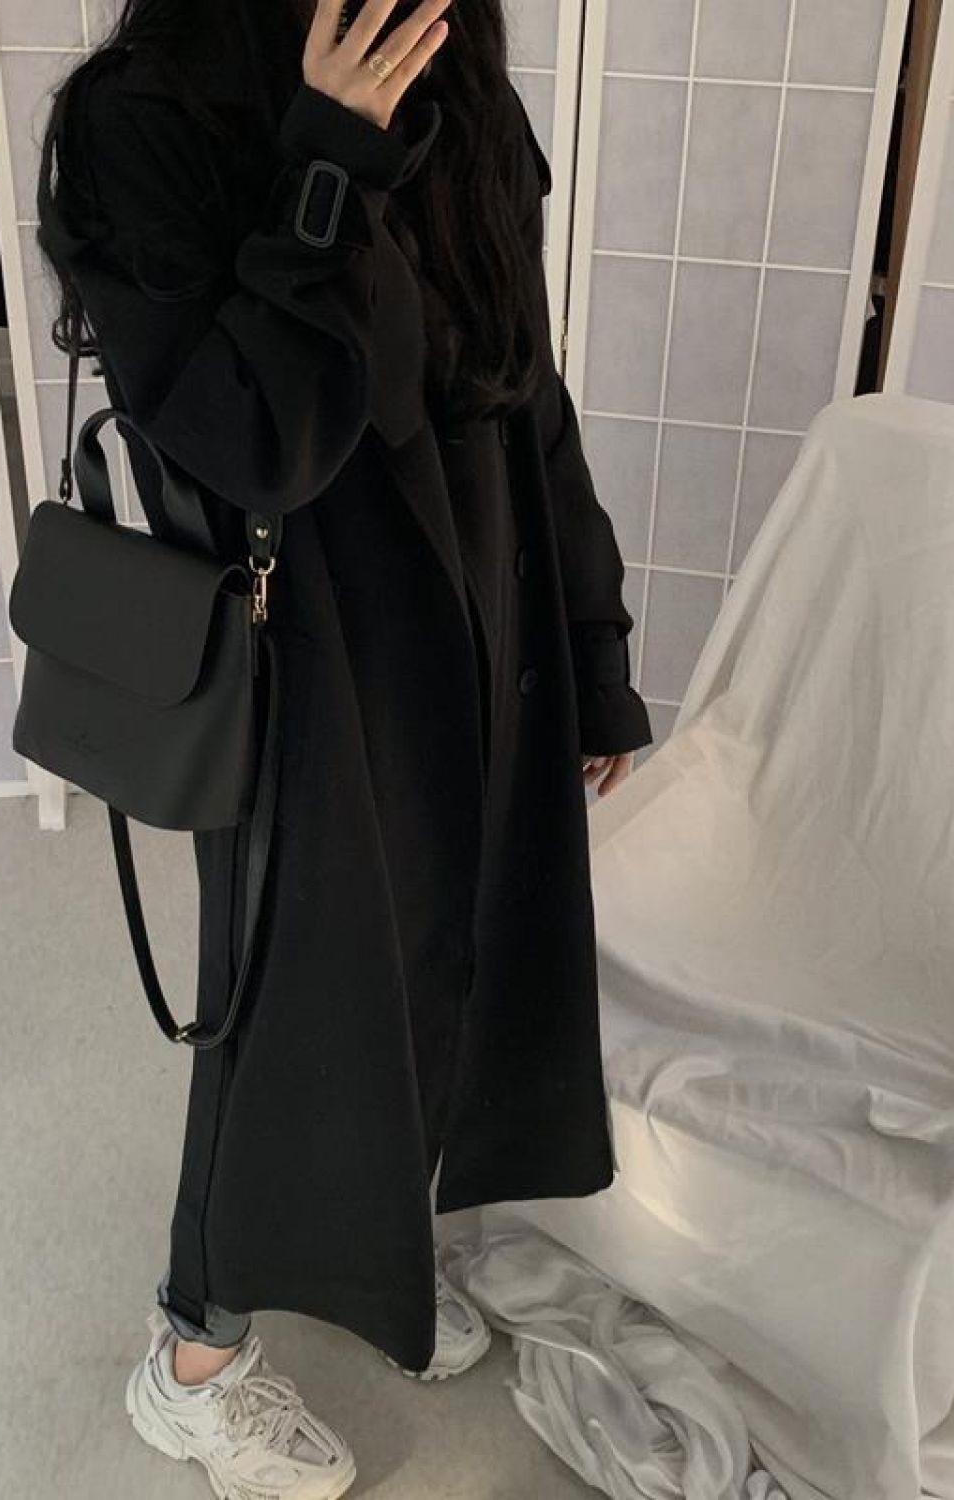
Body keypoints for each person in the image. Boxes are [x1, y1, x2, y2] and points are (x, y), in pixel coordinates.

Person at [37, 0, 651, 1493]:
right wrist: (328, 159)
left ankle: (375, 1264)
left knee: (453, 958)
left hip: (481, 601)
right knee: (282, 1004)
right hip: (303, 645)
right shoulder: (145, 115)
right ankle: (193, 1359)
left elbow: (527, 386)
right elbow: (255, 441)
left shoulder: (449, 59)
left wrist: (591, 647)